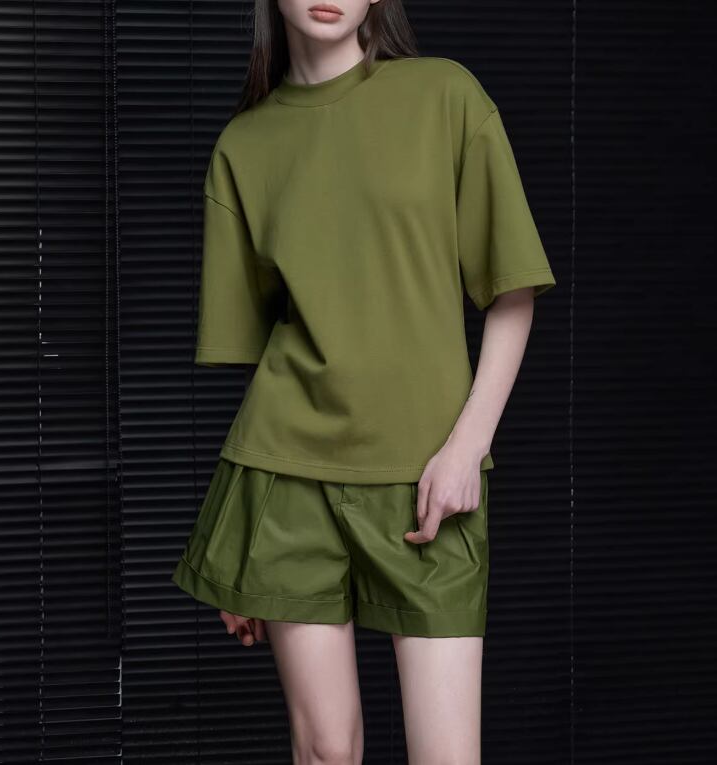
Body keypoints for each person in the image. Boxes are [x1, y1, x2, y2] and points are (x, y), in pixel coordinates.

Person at [172, 1, 557, 762]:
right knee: (324, 749)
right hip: (285, 483)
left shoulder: (443, 96)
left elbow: (513, 292)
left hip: (429, 477)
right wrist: (244, 554)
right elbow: (266, 353)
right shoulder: (243, 146)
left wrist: (465, 449)